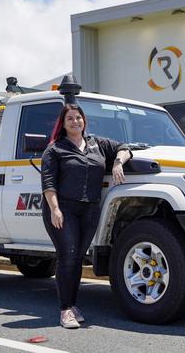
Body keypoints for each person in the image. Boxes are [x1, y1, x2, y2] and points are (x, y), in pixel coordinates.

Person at [41, 103, 132, 329]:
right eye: (70, 118)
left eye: (78, 117)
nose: (75, 121)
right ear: (63, 123)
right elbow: (48, 183)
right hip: (63, 209)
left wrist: (118, 162)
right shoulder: (54, 149)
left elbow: (124, 147)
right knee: (68, 255)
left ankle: (72, 306)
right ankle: (65, 310)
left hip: (89, 209)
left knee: (79, 257)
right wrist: (55, 209)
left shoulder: (97, 144)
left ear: (84, 121)